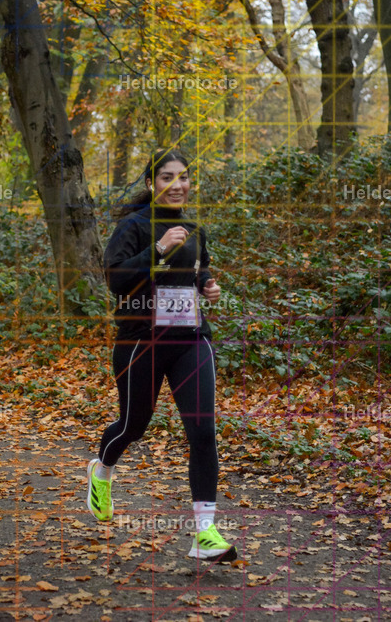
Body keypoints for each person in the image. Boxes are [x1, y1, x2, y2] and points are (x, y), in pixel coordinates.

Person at [86, 148, 237, 563]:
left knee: (203, 432)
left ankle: (204, 532)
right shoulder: (133, 227)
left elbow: (198, 271)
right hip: (140, 341)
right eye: (168, 177)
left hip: (191, 339)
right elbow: (116, 281)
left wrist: (208, 287)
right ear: (151, 183)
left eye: (184, 177)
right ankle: (102, 469)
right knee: (134, 425)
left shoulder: (194, 227)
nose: (178, 185)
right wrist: (158, 248)